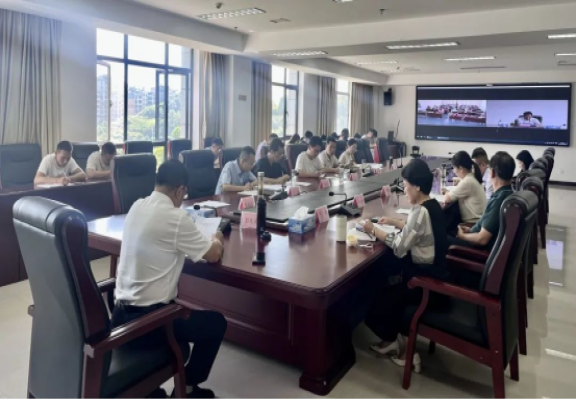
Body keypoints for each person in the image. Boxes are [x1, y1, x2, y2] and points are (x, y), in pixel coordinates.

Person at [112, 160, 225, 400]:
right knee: (216, 324)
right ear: (180, 190)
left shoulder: (136, 206)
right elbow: (213, 255)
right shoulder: (176, 217)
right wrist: (216, 237)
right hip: (150, 323)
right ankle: (188, 389)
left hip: (119, 317)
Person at [362, 159, 448, 372]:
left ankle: (407, 351)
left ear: (416, 186)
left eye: (406, 185)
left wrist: (373, 230)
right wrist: (393, 222)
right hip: (437, 277)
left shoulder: (419, 212)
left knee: (377, 298)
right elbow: (417, 230)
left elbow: (400, 247)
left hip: (424, 285)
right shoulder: (432, 205)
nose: (404, 189)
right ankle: (392, 341)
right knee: (386, 277)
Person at [450, 151, 516, 250]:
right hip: (478, 237)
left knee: (442, 239)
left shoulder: (498, 200)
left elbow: (482, 239)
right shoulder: (508, 193)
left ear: (492, 172)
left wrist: (462, 236)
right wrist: (470, 230)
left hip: (479, 249)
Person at [443, 151, 487, 225]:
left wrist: (447, 192)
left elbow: (446, 199)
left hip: (472, 225)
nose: (454, 171)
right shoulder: (472, 178)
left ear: (461, 168)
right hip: (479, 222)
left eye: (454, 168)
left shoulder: (467, 182)